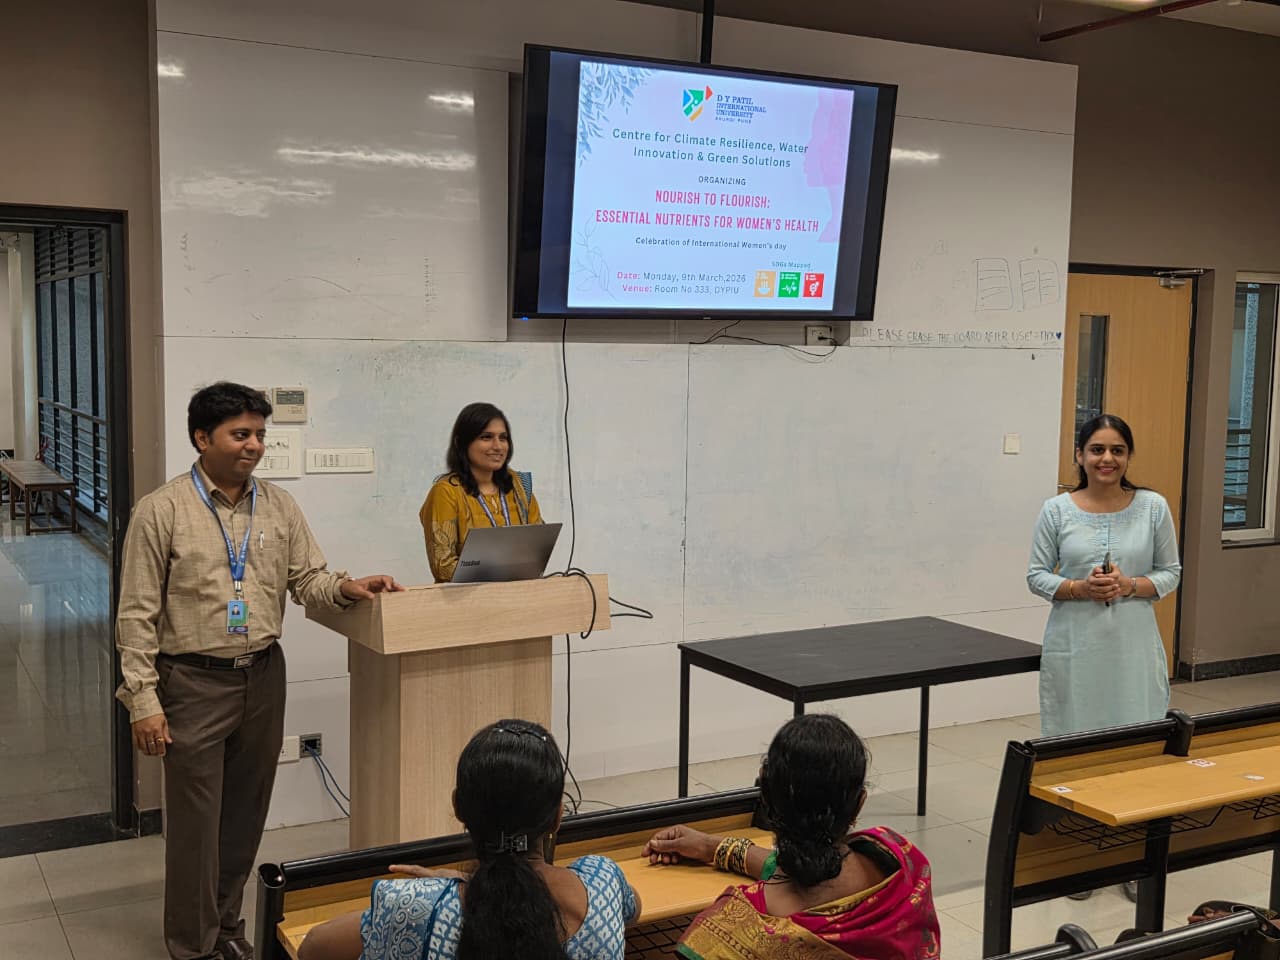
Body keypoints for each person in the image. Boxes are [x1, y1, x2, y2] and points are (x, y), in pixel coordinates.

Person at [115, 381, 404, 960]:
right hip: (191, 681)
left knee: (245, 818)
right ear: (202, 438)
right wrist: (143, 700)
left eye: (260, 435)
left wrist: (346, 587)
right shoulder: (161, 510)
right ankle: (192, 947)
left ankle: (226, 927)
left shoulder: (278, 505)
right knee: (196, 827)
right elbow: (136, 613)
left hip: (264, 676)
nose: (254, 445)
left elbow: (308, 580)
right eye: (240, 434)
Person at [298, 719, 641, 960]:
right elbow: (633, 909)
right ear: (557, 817)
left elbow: (312, 948)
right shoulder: (603, 882)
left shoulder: (414, 906)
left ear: (458, 807)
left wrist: (450, 888)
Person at [641, 714, 940, 960]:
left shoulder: (734, 929)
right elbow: (803, 867)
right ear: (859, 803)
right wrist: (711, 847)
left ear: (766, 798)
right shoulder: (903, 865)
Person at [1026, 413, 1182, 739]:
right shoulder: (1056, 510)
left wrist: (1129, 585)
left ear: (1128, 457)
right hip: (1075, 644)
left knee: (1136, 732)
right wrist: (1080, 588)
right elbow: (1037, 575)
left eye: (1117, 450)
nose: (1107, 459)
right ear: (1080, 455)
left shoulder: (1153, 507)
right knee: (1074, 732)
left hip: (1133, 645)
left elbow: (1171, 572)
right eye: (1097, 450)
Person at [419, 402, 543, 582]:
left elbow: (537, 551)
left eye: (503, 438)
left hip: (520, 593)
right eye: (486, 437)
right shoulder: (446, 492)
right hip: (467, 597)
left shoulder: (519, 487)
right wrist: (500, 571)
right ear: (462, 443)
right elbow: (442, 567)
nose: (498, 446)